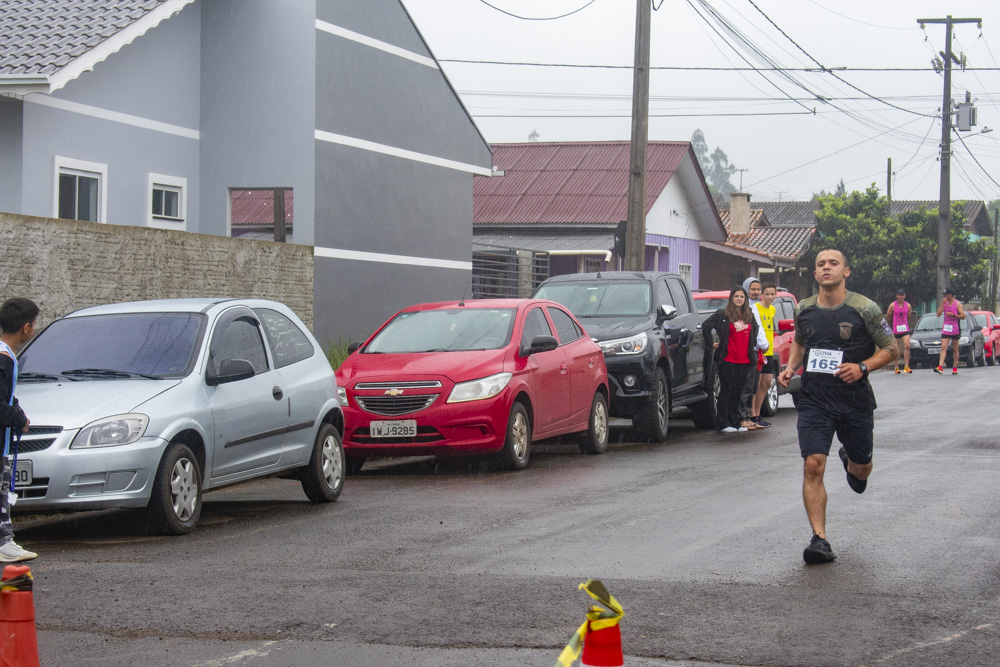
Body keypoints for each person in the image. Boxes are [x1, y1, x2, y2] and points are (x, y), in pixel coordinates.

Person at [777, 249, 896, 564]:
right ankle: (819, 539)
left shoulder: (865, 309)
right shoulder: (804, 309)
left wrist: (863, 368)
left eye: (833, 263)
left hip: (854, 400)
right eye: (820, 264)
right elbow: (800, 342)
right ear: (815, 274)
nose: (826, 267)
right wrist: (791, 367)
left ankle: (852, 462)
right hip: (815, 399)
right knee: (812, 465)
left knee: (861, 471)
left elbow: (891, 348)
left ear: (846, 272)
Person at [0, 298, 39, 562]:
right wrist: (17, 418)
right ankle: (4, 542)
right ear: (25, 327)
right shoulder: (5, 360)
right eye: (34, 325)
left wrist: (18, 413)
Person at [703, 286, 768, 433]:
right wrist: (711, 343)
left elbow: (755, 330)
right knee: (727, 391)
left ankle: (735, 422)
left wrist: (751, 343)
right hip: (728, 360)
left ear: (745, 300)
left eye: (742, 297)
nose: (739, 299)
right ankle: (723, 423)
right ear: (731, 298)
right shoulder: (723, 315)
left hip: (745, 360)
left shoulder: (748, 314)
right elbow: (706, 326)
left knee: (738, 392)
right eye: (736, 296)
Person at [740, 277, 768, 430]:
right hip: (749, 351)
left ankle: (749, 417)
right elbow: (753, 331)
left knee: (753, 386)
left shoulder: (755, 307)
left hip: (757, 351)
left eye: (758, 289)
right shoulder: (745, 308)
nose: (756, 292)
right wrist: (762, 344)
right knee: (746, 386)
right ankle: (743, 418)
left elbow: (760, 329)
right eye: (753, 289)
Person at [751, 284, 778, 427]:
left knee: (766, 383)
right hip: (759, 351)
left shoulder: (772, 309)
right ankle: (752, 415)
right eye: (767, 294)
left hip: (769, 351)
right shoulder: (756, 308)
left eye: (772, 294)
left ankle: (758, 413)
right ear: (762, 294)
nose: (769, 297)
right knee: (756, 383)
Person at [934, 288, 966, 375]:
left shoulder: (957, 304)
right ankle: (940, 366)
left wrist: (954, 315)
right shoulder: (944, 304)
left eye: (946, 295)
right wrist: (942, 304)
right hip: (946, 328)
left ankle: (955, 366)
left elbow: (963, 316)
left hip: (955, 328)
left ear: (950, 295)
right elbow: (938, 314)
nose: (945, 296)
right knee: (943, 347)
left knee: (955, 349)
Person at [885, 288, 913, 374]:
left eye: (902, 295)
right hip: (895, 329)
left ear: (905, 296)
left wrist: (905, 323)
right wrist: (891, 326)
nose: (901, 297)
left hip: (904, 328)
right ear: (897, 296)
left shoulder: (908, 306)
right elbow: (888, 316)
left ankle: (906, 366)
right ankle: (896, 366)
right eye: (899, 295)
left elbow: (909, 316)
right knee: (895, 348)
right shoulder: (892, 305)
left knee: (907, 346)